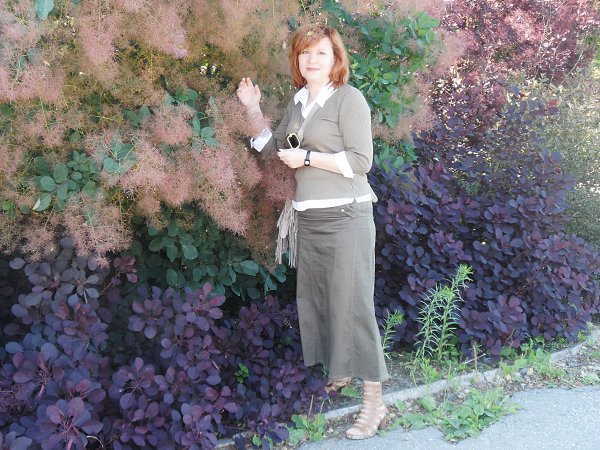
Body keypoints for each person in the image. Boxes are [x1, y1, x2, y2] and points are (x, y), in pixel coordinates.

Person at [236, 24, 389, 440]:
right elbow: (273, 150)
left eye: (320, 52)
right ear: (297, 60)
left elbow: (361, 161)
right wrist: (253, 108)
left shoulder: (349, 99)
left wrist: (307, 158)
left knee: (353, 306)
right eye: (304, 53)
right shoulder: (299, 102)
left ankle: (374, 402)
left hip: (347, 216)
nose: (311, 59)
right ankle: (340, 372)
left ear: (335, 58)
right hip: (311, 219)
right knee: (321, 300)